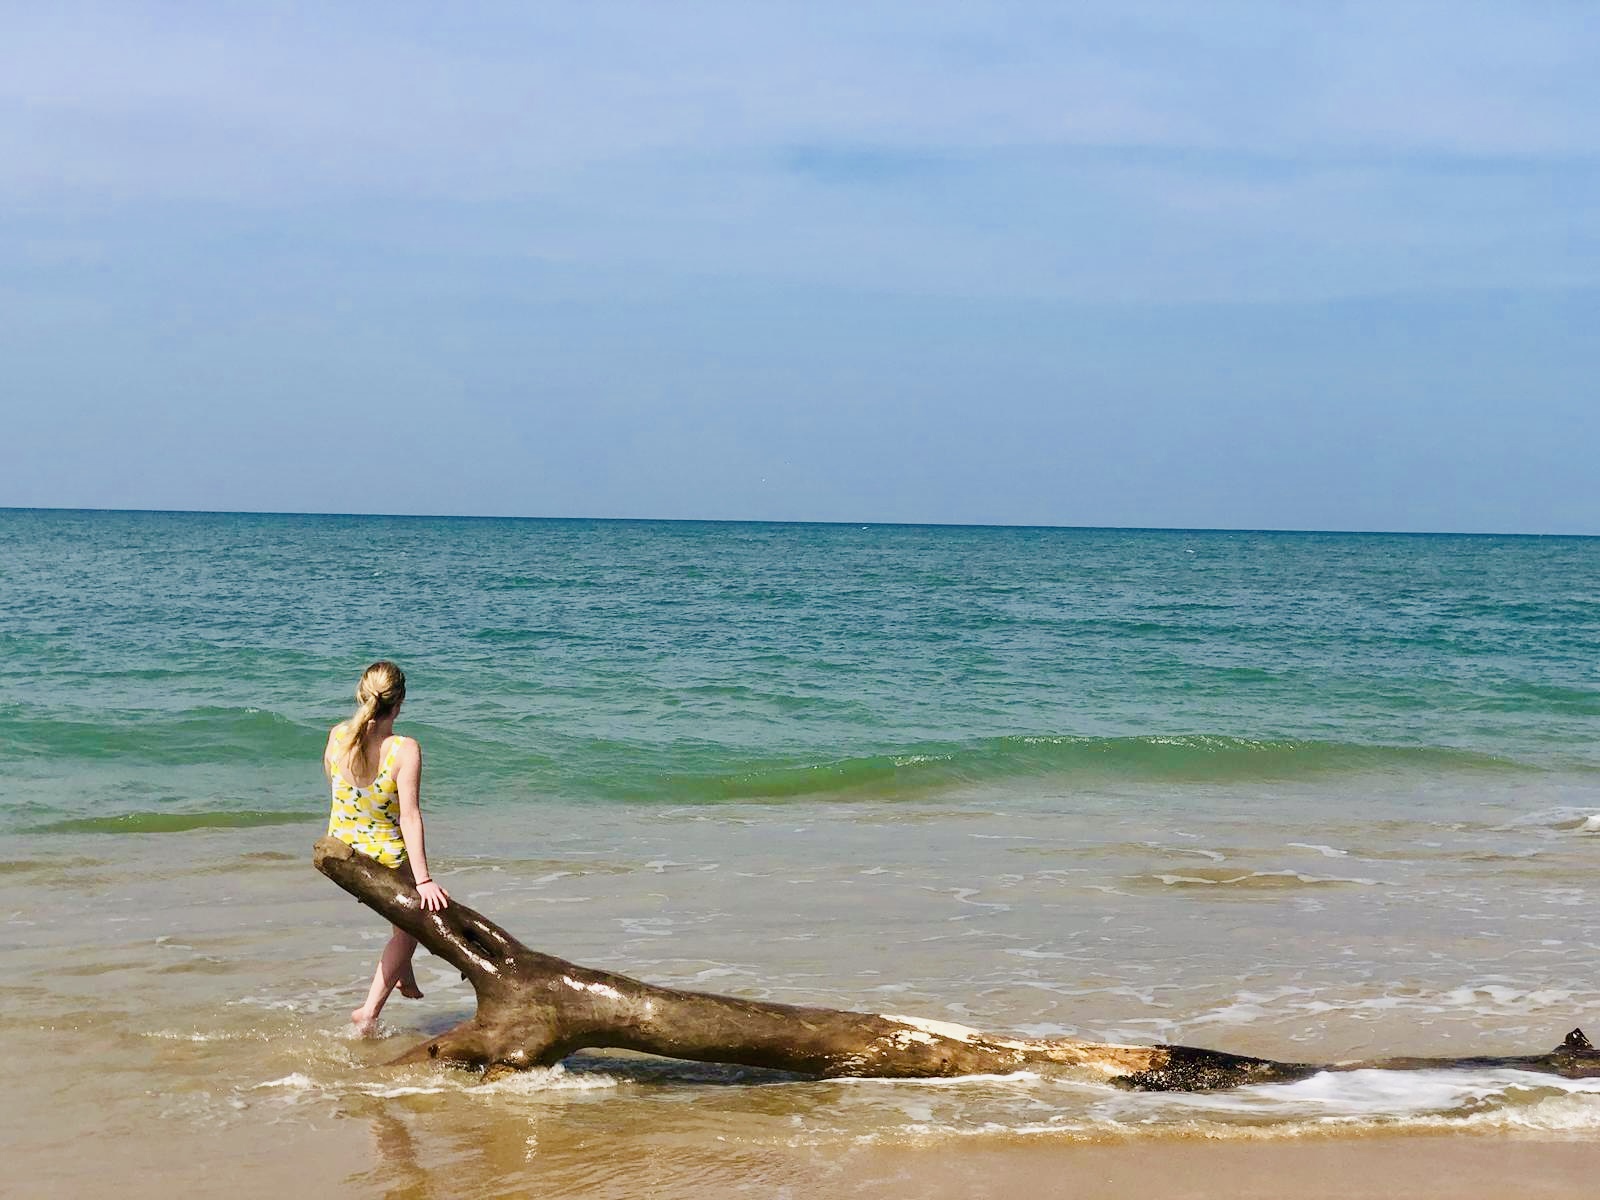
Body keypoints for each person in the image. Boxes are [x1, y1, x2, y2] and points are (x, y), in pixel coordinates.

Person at [324, 660, 449, 1035]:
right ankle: (369, 1012)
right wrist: (424, 880)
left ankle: (401, 969)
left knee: (401, 915)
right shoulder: (404, 749)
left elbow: (336, 789)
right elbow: (409, 817)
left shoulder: (337, 735)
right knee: (414, 922)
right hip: (383, 858)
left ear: (362, 694)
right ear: (400, 703)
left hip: (339, 852)